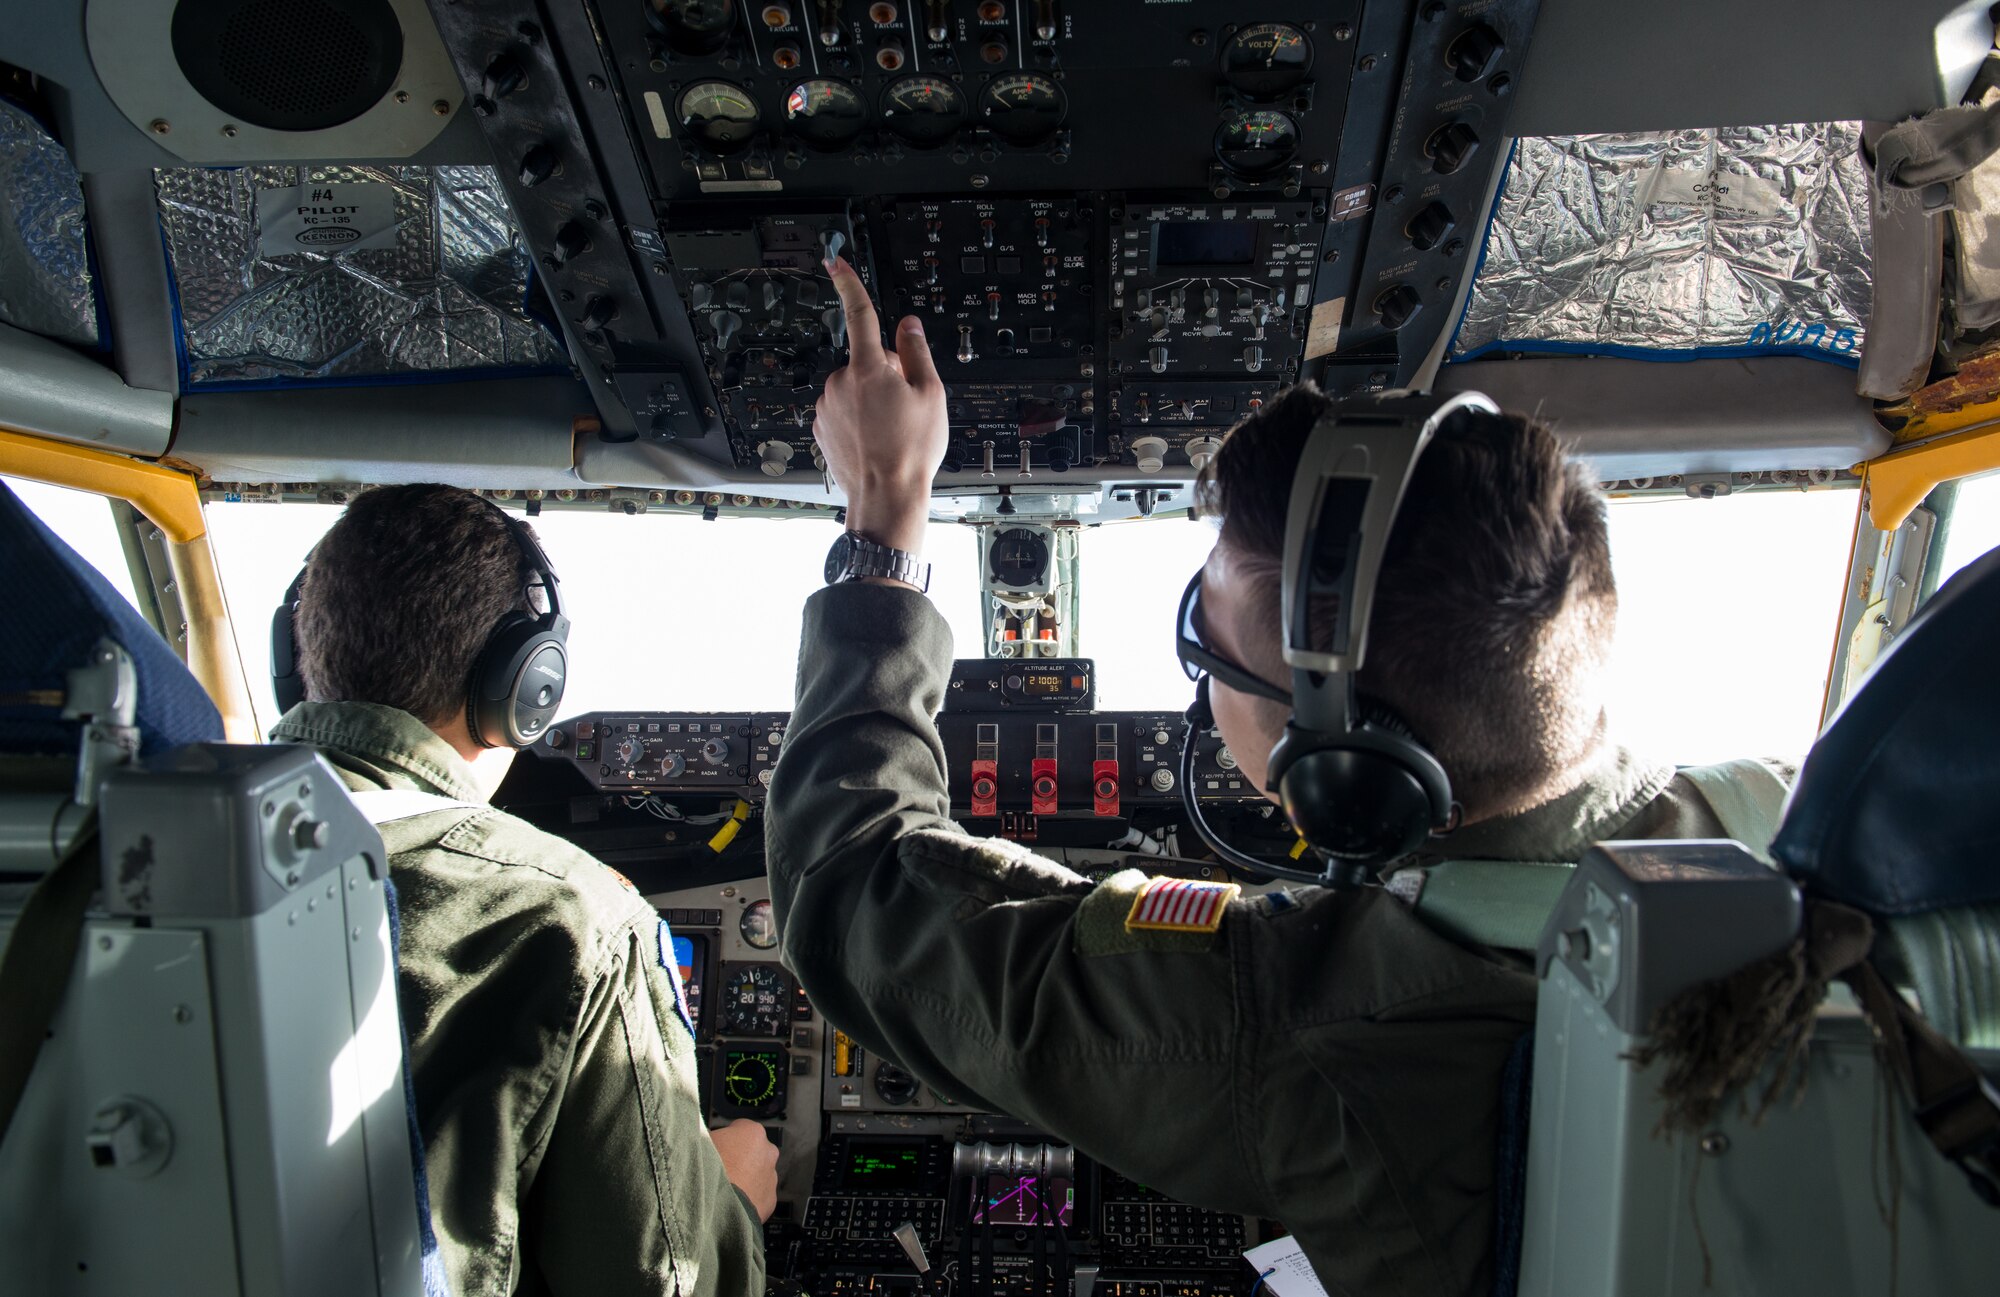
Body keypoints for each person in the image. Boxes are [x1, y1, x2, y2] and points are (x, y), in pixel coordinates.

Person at [764, 261, 1772, 1294]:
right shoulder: (1784, 817)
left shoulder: (1302, 1024)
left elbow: (845, 884)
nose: (1202, 699)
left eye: (1208, 651)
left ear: (1344, 759)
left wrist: (884, 514)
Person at [273, 484, 774, 1297]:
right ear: (525, 683)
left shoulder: (96, 846)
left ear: (296, 658)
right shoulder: (574, 918)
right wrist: (737, 1205)